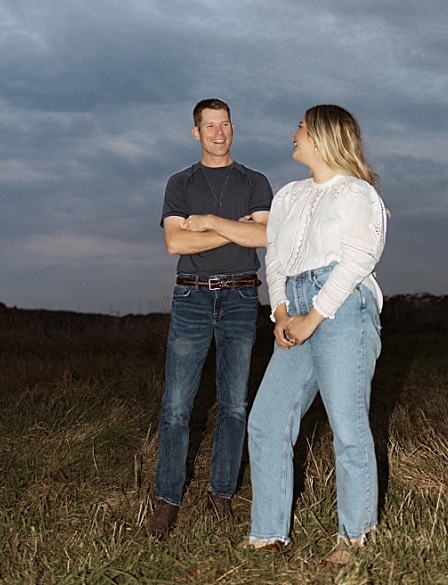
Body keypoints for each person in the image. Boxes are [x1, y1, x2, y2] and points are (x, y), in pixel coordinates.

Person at [246, 104, 387, 564]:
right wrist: (283, 312)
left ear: (323, 137)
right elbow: (276, 259)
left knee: (347, 424)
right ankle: (268, 534)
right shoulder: (287, 195)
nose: (293, 133)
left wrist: (315, 314)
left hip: (344, 306)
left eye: (301, 128)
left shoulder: (356, 194)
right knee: (266, 420)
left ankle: (355, 537)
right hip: (296, 306)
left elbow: (358, 260)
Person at [145, 99, 273, 538]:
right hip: (192, 299)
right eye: (209, 126)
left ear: (232, 128)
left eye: (225, 125)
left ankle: (221, 494)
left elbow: (264, 235)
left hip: (241, 297)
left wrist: (208, 223)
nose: (219, 133)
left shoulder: (255, 181)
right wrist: (231, 230)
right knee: (177, 405)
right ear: (196, 132)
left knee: (234, 404)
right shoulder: (180, 182)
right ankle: (167, 502)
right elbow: (173, 245)